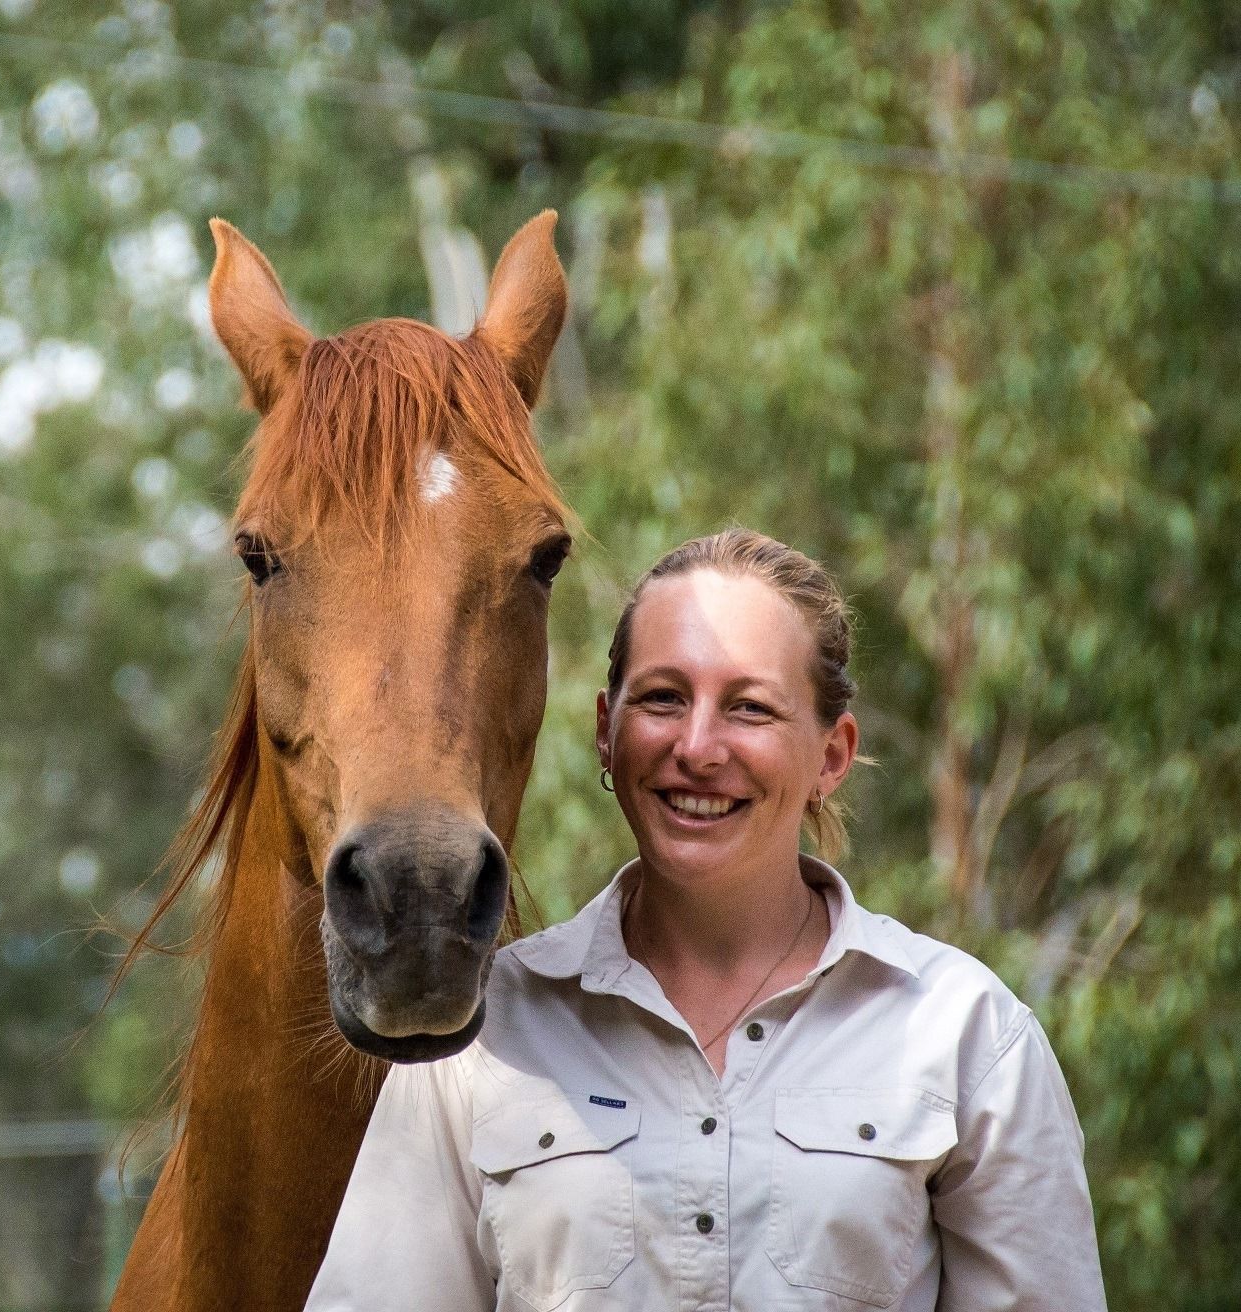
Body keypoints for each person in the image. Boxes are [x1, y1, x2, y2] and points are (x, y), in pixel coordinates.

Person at [305, 528, 1107, 1312]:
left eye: (750, 709)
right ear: (605, 733)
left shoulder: (967, 1038)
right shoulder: (485, 1042)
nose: (697, 746)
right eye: (662, 698)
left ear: (831, 756)